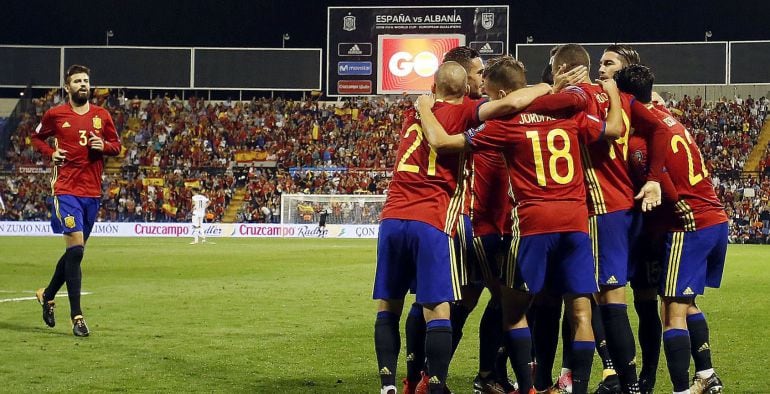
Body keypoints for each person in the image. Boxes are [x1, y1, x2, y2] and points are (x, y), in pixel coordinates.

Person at [416, 55, 625, 394]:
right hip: (575, 222)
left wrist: (424, 109)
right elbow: (614, 129)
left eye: (487, 90)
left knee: (513, 309)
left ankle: (527, 387)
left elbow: (445, 143)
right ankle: (579, 387)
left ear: (499, 93)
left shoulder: (503, 125)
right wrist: (612, 93)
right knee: (581, 313)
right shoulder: (567, 114)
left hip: (532, 224)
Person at [615, 64, 727, 394]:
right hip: (714, 218)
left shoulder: (639, 138)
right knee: (688, 303)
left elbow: (668, 189)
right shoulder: (667, 118)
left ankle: (680, 390)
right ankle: (706, 375)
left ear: (624, 97)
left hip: (688, 225)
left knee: (671, 311)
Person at [31, 64, 122, 337]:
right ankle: (77, 316)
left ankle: (47, 295)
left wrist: (103, 147)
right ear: (68, 87)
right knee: (77, 251)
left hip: (92, 193)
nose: (83, 84)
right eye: (77, 81)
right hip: (65, 189)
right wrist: (50, 153)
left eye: (86, 80)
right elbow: (36, 138)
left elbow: (116, 146)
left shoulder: (102, 116)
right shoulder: (55, 115)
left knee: (74, 252)